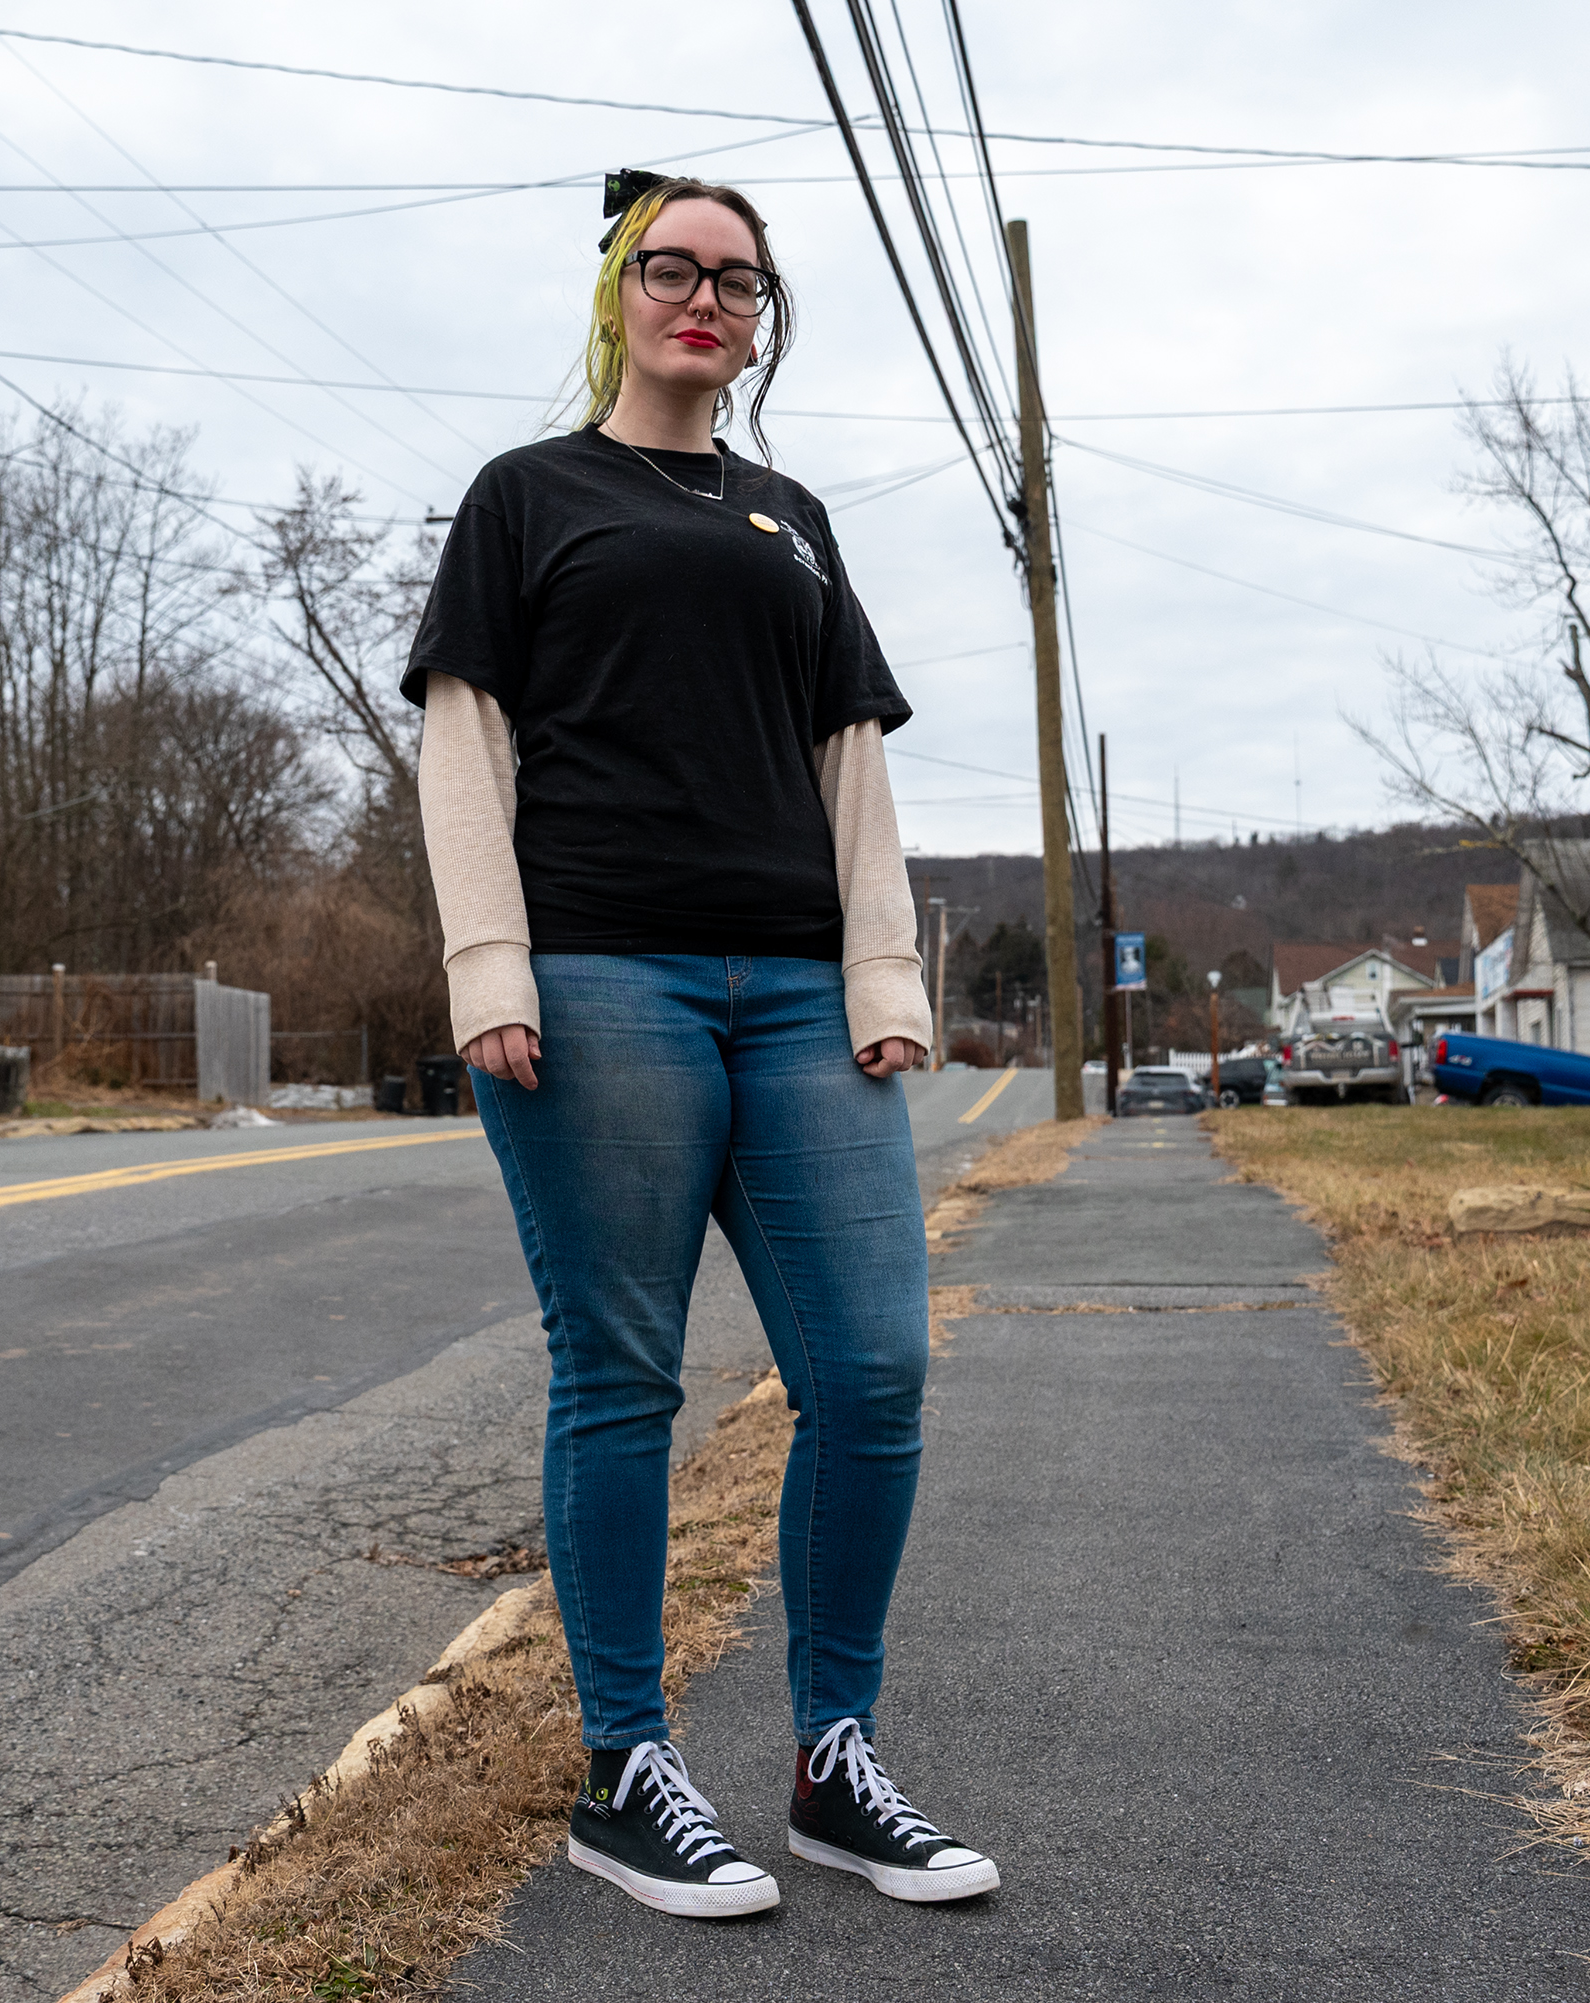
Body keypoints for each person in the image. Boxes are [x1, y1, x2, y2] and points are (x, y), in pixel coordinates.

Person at [398, 171, 999, 1920]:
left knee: (873, 1371)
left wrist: (885, 977)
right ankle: (626, 1771)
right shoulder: (528, 495)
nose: (706, 299)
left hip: (800, 993)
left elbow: (847, 759)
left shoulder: (791, 518)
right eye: (673, 267)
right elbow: (465, 736)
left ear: (760, 320)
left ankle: (834, 1766)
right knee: (625, 1379)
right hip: (599, 980)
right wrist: (490, 963)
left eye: (740, 281)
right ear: (620, 291)